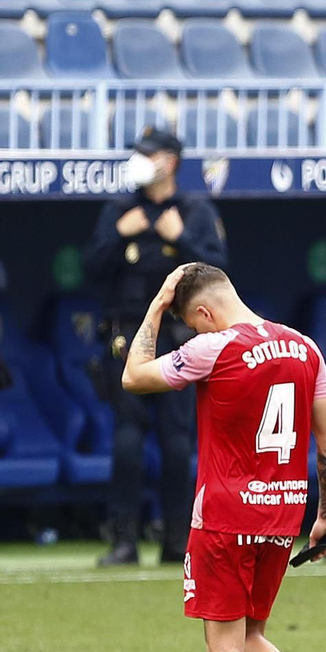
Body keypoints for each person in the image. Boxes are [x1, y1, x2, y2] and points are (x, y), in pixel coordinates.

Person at [119, 263, 326, 652]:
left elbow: (134, 376)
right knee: (251, 635)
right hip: (283, 513)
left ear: (203, 312)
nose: (194, 332)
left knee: (223, 646)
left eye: (191, 323)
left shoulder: (213, 347)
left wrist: (155, 306)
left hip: (224, 515)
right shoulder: (306, 348)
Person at [85, 127, 228, 566]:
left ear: (170, 162)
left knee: (178, 441)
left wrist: (180, 238)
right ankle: (123, 540)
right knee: (127, 438)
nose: (140, 161)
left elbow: (219, 273)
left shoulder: (195, 211)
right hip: (128, 335)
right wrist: (118, 235)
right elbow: (90, 269)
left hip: (178, 337)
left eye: (149, 155)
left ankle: (177, 540)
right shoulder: (119, 210)